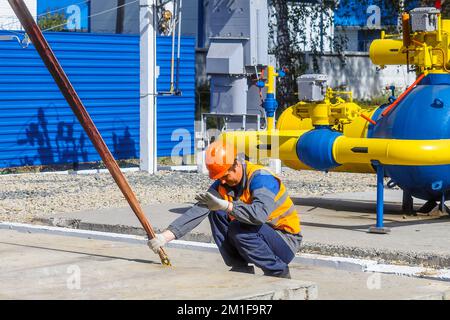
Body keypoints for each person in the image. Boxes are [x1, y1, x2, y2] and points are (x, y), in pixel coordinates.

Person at [148, 140, 302, 278]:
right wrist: (164, 237)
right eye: (218, 178)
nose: (221, 181)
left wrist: (227, 205)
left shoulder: (262, 178)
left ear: (236, 164)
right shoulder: (223, 184)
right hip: (260, 235)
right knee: (216, 212)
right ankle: (240, 268)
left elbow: (259, 215)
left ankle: (278, 272)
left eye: (225, 175)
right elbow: (198, 210)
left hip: (284, 241)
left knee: (236, 225)